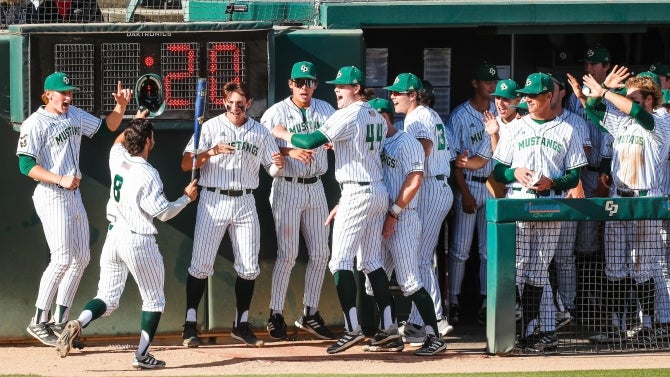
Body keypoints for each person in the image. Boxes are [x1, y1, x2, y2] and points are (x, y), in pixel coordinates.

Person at [55, 118, 199, 369]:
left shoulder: (116, 157)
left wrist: (135, 123)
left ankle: (78, 322)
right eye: (151, 136)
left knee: (107, 298)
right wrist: (185, 199)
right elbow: (163, 213)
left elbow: (118, 141)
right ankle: (142, 356)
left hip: (114, 236)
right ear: (147, 141)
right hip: (138, 240)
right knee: (154, 301)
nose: (153, 139)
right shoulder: (149, 173)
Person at [272, 66, 396, 355]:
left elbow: (307, 141)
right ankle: (389, 328)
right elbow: (353, 143)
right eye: (335, 86)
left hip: (356, 190)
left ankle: (352, 329)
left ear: (355, 87)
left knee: (339, 262)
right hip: (376, 189)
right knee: (372, 263)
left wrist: (283, 132)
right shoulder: (374, 113)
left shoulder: (348, 113)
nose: (336, 90)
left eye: (342, 86)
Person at [16, 72, 132, 346]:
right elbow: (25, 165)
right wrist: (59, 178)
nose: (68, 96)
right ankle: (38, 320)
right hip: (51, 193)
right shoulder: (34, 123)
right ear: (48, 94)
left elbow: (106, 129)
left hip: (72, 194)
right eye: (63, 92)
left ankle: (59, 322)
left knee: (81, 258)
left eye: (70, 92)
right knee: (62, 259)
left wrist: (121, 107)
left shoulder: (74, 115)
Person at [180, 82, 285, 348]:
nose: (235, 108)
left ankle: (241, 324)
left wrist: (279, 167)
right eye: (231, 103)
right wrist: (211, 151)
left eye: (241, 103)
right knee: (200, 265)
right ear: (224, 102)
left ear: (249, 103)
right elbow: (185, 163)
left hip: (245, 200)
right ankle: (190, 324)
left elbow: (271, 169)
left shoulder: (259, 132)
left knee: (249, 268)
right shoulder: (211, 127)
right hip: (213, 198)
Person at [493, 72, 587, 351]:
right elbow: (498, 171)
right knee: (517, 267)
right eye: (525, 95)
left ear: (549, 96)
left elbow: (573, 176)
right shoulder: (515, 128)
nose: (527, 99)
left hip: (549, 202)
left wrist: (553, 182)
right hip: (519, 200)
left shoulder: (567, 130)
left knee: (538, 269)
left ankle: (532, 330)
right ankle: (512, 327)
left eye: (533, 95)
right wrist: (514, 171)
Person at [581, 66, 670, 345]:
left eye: (635, 96)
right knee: (615, 267)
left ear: (650, 98)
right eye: (628, 96)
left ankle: (649, 325)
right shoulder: (622, 122)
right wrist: (600, 91)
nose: (629, 100)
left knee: (644, 268)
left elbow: (637, 113)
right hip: (619, 198)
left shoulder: (661, 121)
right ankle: (618, 326)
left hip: (646, 198)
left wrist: (606, 91)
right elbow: (593, 110)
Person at [364, 97, 448, 355]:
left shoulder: (407, 142)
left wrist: (394, 213)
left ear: (385, 117)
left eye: (374, 118)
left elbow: (415, 181)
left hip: (403, 218)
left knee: (410, 281)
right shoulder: (374, 144)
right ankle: (390, 333)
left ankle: (434, 337)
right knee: (372, 280)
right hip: (381, 216)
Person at [260, 61, 336, 341]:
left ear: (316, 84)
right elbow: (261, 145)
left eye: (310, 82)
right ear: (290, 84)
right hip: (287, 186)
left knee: (321, 254)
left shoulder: (326, 110)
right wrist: (289, 152)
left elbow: (340, 136)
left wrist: (333, 142)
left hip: (316, 186)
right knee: (288, 254)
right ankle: (276, 314)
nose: (305, 87)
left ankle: (310, 313)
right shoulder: (275, 112)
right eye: (300, 82)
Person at [384, 73, 454, 342]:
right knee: (420, 258)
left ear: (413, 95)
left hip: (431, 187)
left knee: (421, 259)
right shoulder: (427, 114)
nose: (392, 96)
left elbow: (424, 147)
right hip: (436, 186)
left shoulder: (417, 117)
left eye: (397, 93)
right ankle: (416, 323)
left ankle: (435, 318)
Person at [445, 63, 498, 326]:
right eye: (486, 81)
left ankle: (487, 303)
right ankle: (453, 302)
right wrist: (464, 193)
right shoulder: (459, 115)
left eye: (494, 81)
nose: (492, 85)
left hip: (493, 185)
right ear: (475, 83)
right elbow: (455, 161)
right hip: (468, 182)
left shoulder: (499, 110)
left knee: (488, 251)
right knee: (460, 250)